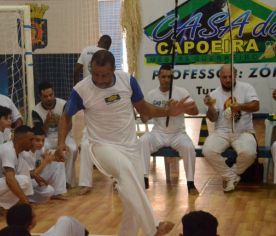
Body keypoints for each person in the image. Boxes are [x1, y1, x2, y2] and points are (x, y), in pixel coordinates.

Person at [57, 50, 194, 236]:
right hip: (100, 146)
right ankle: (153, 228)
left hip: (130, 147)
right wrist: (60, 143)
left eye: (104, 74)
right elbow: (66, 117)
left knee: (133, 197)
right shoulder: (81, 90)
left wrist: (168, 112)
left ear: (114, 69)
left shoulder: (127, 81)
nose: (100, 79)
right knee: (126, 171)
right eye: (95, 74)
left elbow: (144, 108)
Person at [139, 64, 199, 194]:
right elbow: (144, 119)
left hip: (177, 133)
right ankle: (144, 179)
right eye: (163, 76)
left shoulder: (181, 92)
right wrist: (141, 109)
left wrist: (182, 108)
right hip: (158, 133)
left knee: (189, 147)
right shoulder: (151, 94)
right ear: (158, 77)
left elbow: (195, 111)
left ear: (172, 78)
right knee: (143, 140)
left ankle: (190, 183)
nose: (166, 79)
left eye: (169, 77)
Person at [202, 64, 259, 192]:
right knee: (208, 150)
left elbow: (256, 106)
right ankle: (231, 176)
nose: (227, 80)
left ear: (235, 76)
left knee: (249, 153)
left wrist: (241, 107)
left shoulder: (246, 88)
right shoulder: (214, 94)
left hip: (243, 131)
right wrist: (210, 107)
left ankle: (230, 175)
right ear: (220, 77)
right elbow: (213, 118)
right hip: (222, 131)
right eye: (224, 77)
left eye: (230, 77)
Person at [73, 35, 111, 195]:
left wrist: (75, 88)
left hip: (91, 96)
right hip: (93, 95)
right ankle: (86, 181)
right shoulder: (107, 56)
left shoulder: (86, 49)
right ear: (108, 46)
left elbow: (75, 70)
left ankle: (86, 184)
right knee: (87, 143)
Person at [32, 82, 77, 188]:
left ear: (54, 93)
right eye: (45, 96)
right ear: (40, 97)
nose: (49, 98)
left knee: (72, 149)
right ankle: (44, 179)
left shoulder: (64, 104)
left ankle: (68, 181)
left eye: (51, 95)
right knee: (39, 149)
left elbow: (69, 126)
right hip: (47, 137)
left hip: (65, 134)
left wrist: (60, 123)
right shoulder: (35, 110)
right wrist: (47, 122)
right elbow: (39, 132)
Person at [20, 126, 67, 202]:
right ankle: (27, 198)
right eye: (37, 140)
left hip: (36, 178)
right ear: (31, 140)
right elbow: (33, 175)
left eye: (43, 140)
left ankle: (57, 193)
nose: (40, 143)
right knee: (48, 191)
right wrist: (45, 162)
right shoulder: (26, 153)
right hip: (27, 182)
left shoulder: (40, 148)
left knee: (59, 164)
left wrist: (57, 158)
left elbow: (48, 157)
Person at [0, 203, 89, 236]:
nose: (36, 215)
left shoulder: (4, 232)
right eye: (34, 215)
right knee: (64, 221)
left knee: (54, 229)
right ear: (29, 223)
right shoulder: (23, 233)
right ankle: (81, 231)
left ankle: (81, 230)